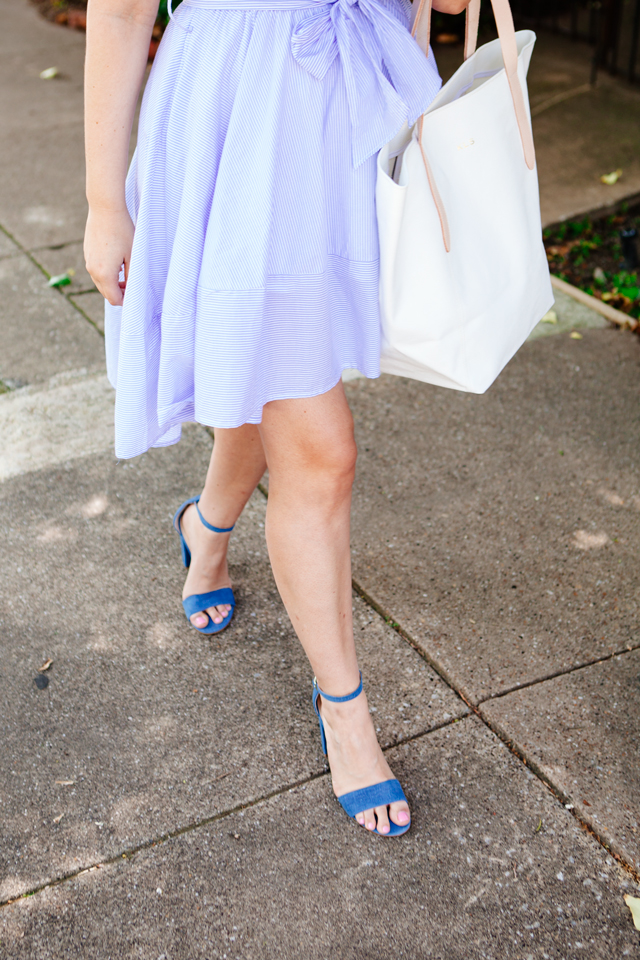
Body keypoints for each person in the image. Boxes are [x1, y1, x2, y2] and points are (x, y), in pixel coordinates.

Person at [84, 0, 471, 837]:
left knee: (266, 385)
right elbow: (117, 11)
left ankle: (207, 524)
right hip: (238, 113)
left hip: (346, 107)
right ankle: (346, 712)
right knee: (323, 451)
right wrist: (102, 201)